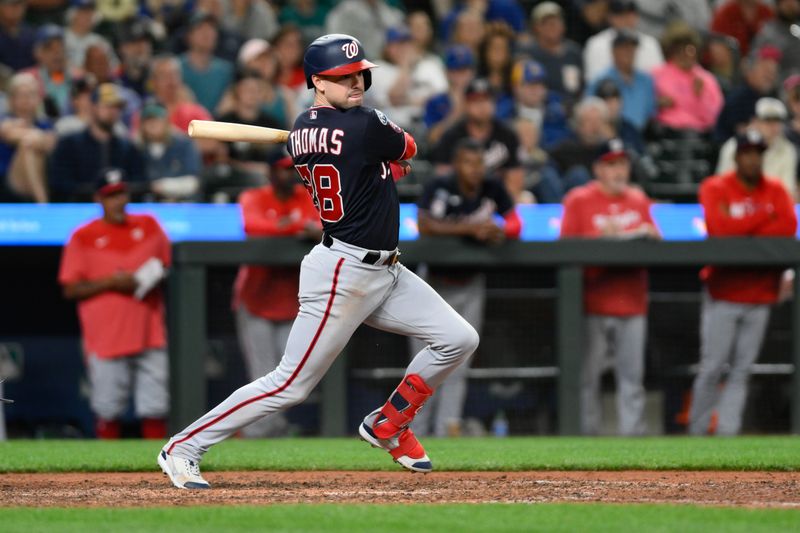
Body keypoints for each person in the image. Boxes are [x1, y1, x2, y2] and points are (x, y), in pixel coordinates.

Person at [158, 33, 479, 489]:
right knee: (289, 384)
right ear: (317, 82)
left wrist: (383, 167)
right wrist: (389, 162)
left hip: (385, 270)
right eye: (341, 76)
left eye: (359, 74)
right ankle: (183, 447)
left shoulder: (303, 129)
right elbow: (408, 146)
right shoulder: (364, 124)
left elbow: (366, 165)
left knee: (458, 338)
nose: (355, 82)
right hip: (343, 273)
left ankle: (388, 423)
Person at [690, 130, 797, 436]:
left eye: (758, 153)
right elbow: (720, 229)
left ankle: (727, 433)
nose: (753, 158)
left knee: (741, 371)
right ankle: (696, 434)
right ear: (737, 156)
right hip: (723, 292)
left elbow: (788, 225)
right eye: (747, 152)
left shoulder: (775, 189)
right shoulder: (715, 187)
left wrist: (744, 228)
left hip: (761, 295)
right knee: (712, 367)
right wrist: (765, 219)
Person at [410, 139, 521, 437]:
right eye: (469, 163)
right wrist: (470, 229)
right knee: (423, 363)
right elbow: (424, 225)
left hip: (470, 283)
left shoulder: (491, 187)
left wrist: (499, 230)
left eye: (479, 163)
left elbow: (515, 224)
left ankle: (448, 431)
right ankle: (414, 431)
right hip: (432, 284)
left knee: (460, 361)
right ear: (457, 164)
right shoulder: (440, 185)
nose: (475, 170)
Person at [58, 167, 171, 439]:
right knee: (107, 408)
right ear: (99, 199)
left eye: (121, 193)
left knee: (155, 405)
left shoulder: (148, 224)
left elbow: (166, 266)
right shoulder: (83, 235)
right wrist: (112, 282)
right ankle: (107, 479)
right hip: (106, 336)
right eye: (111, 195)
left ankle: (156, 471)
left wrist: (143, 279)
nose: (117, 201)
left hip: (149, 330)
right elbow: (70, 288)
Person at [560, 138, 661, 436]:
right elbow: (564, 250)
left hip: (632, 301)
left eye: (623, 163)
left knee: (632, 379)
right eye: (611, 164)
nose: (619, 170)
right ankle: (584, 440)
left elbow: (657, 243)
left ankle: (633, 442)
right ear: (598, 168)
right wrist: (600, 236)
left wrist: (645, 235)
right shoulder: (579, 199)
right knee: (587, 379)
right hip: (592, 304)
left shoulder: (639, 200)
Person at [232, 151, 321, 438]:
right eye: (281, 169)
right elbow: (254, 227)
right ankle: (258, 434)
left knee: (289, 375)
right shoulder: (253, 197)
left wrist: (295, 228)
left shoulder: (306, 196)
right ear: (270, 173)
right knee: (262, 371)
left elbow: (325, 227)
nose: (288, 174)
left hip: (292, 300)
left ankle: (273, 428)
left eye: (290, 169)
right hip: (256, 298)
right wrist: (296, 227)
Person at [49, 83, 144, 201]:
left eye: (117, 107)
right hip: (78, 211)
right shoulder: (69, 144)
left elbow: (139, 184)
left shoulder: (128, 148)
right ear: (93, 107)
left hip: (117, 211)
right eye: (108, 106)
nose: (113, 111)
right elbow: (59, 184)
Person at [430, 78, 523, 197]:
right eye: (476, 101)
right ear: (466, 105)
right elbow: (442, 179)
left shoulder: (507, 135)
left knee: (526, 199)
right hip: (458, 201)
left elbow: (515, 180)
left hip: (498, 199)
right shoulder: (451, 136)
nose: (482, 106)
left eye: (486, 100)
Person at [716, 97, 798, 198]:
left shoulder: (788, 150)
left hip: (772, 206)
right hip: (737, 204)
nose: (773, 126)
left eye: (777, 120)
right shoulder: (734, 146)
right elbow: (721, 185)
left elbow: (787, 190)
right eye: (767, 120)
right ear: (755, 121)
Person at [652, 22, 724, 133]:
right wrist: (656, 103)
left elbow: (717, 117)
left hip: (701, 135)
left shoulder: (706, 79)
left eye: (690, 50)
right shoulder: (656, 75)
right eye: (680, 50)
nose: (685, 55)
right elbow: (643, 109)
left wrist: (700, 96)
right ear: (671, 51)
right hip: (666, 133)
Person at [0, 72, 55, 202]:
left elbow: (50, 144)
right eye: (21, 95)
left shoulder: (45, 124)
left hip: (42, 175)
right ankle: (42, 203)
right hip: (9, 183)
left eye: (30, 94)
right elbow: (9, 134)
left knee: (29, 144)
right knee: (27, 145)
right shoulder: (5, 121)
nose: (26, 100)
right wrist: (37, 137)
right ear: (12, 99)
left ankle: (40, 201)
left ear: (38, 99)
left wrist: (38, 138)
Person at [586, 29, 656, 132]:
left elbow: (650, 112)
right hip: (611, 134)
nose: (628, 52)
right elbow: (590, 112)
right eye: (623, 48)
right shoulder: (600, 80)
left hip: (640, 136)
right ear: (613, 51)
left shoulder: (646, 80)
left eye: (632, 48)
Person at [517, 2, 583, 106]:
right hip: (540, 108)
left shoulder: (573, 52)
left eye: (556, 22)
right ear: (536, 27)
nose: (552, 26)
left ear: (563, 26)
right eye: (547, 23)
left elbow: (580, 87)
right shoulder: (528, 54)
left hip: (572, 107)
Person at [582, 0, 664, 83]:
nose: (625, 19)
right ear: (610, 17)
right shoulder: (596, 44)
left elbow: (658, 81)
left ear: (637, 16)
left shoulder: (651, 44)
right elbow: (593, 82)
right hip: (608, 93)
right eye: (620, 15)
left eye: (629, 14)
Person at [714, 45, 781, 144]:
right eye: (766, 71)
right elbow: (740, 132)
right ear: (750, 71)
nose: (770, 76)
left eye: (773, 72)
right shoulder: (738, 98)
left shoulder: (773, 97)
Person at [138, 100, 203, 201]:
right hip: (149, 205)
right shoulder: (137, 148)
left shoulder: (184, 144)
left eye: (157, 119)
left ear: (167, 122)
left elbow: (193, 183)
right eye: (148, 120)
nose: (153, 124)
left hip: (182, 204)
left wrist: (163, 186)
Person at [179, 12, 234, 114]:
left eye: (211, 28)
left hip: (216, 126)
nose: (207, 33)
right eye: (200, 28)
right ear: (189, 35)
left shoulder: (226, 70)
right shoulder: (176, 67)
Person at [750, 0, 800, 81]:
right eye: (786, 1)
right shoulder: (767, 32)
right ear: (778, 5)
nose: (790, 4)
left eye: (794, 1)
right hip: (775, 85)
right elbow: (753, 61)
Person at [0, 0, 36, 72]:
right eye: (11, 5)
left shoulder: (31, 33)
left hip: (29, 79)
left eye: (20, 4)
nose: (16, 8)